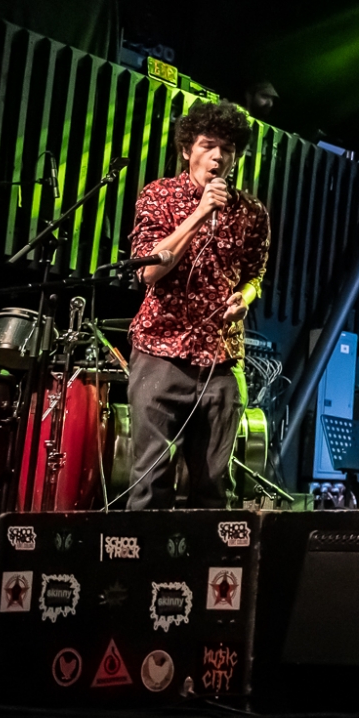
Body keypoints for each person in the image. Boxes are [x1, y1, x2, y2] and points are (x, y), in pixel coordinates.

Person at [127, 100, 269, 510]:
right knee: (149, 481)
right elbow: (148, 271)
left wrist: (245, 297)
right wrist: (200, 212)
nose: (219, 156)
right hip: (160, 351)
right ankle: (139, 569)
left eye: (228, 148)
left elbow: (254, 275)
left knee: (212, 488)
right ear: (188, 149)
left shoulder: (252, 213)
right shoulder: (159, 196)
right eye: (209, 145)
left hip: (221, 359)